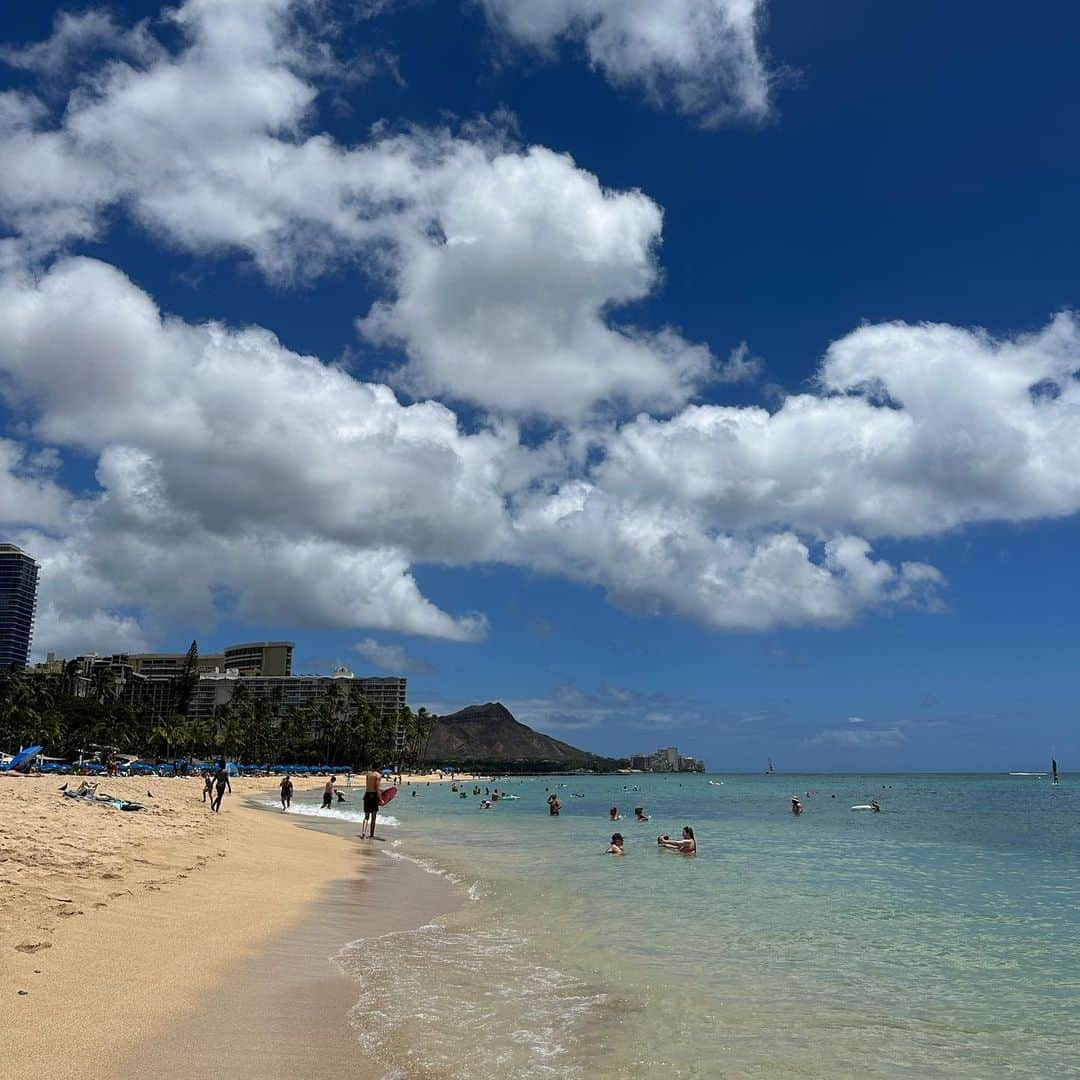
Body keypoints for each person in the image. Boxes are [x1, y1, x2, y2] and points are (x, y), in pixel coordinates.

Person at [362, 766, 383, 839]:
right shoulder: (378, 775)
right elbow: (377, 789)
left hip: (367, 795)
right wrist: (381, 799)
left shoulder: (368, 774)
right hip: (373, 796)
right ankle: (371, 835)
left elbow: (368, 786)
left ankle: (363, 832)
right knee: (373, 817)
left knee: (366, 817)